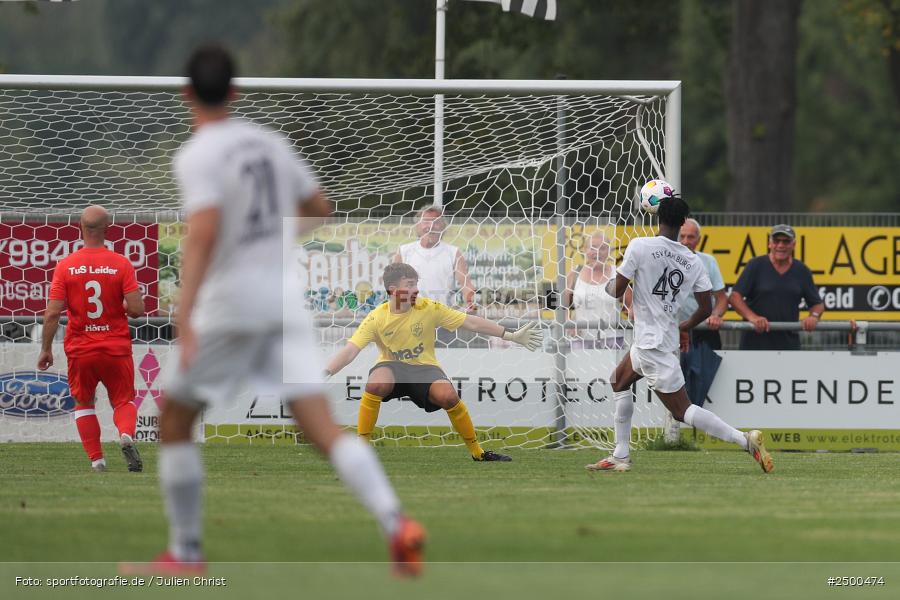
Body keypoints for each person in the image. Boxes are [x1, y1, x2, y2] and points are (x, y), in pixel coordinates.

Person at [132, 45, 423, 576]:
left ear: (187, 95)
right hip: (283, 299)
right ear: (237, 92)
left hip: (230, 302)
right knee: (320, 426)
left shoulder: (197, 154)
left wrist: (185, 306)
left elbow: (202, 230)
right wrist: (270, 237)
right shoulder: (271, 143)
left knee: (174, 420)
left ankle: (186, 552)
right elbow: (320, 208)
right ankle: (396, 522)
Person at [585, 195, 774, 474]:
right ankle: (620, 455)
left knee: (681, 411)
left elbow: (615, 291)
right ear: (682, 222)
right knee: (618, 380)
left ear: (657, 217)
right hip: (658, 339)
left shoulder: (640, 246)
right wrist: (682, 326)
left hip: (652, 346)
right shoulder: (692, 260)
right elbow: (705, 307)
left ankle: (745, 440)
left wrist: (608, 284)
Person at [325, 263, 542, 462]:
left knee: (448, 397)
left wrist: (510, 335)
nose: (416, 290)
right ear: (392, 289)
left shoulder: (429, 308)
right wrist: (325, 372)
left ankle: (478, 453)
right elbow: (350, 351)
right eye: (410, 285)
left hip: (424, 368)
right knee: (375, 384)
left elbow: (472, 323)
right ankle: (361, 454)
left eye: (416, 284)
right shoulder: (377, 317)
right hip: (392, 367)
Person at [37, 205, 145, 473]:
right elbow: (137, 309)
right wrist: (117, 308)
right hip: (115, 348)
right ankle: (126, 435)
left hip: (81, 349)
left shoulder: (66, 266)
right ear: (109, 229)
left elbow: (52, 314)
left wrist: (46, 349)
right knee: (123, 400)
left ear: (80, 228)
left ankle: (97, 461)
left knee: (84, 403)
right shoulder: (121, 263)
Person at [729, 224, 824, 351]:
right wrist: (753, 318)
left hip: (788, 345)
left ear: (794, 245)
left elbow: (817, 304)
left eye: (786, 241)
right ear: (769, 243)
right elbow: (735, 297)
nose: (781, 245)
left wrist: (814, 316)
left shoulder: (802, 270)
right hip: (754, 344)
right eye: (776, 241)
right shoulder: (755, 265)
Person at [395, 206, 476, 312]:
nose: (431, 226)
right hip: (410, 315)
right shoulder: (404, 251)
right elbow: (394, 283)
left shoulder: (453, 252)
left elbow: (466, 284)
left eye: (436, 222)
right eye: (426, 222)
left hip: (442, 316)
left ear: (443, 227)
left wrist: (471, 303)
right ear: (418, 226)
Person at [563, 230, 630, 350]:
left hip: (612, 341)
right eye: (593, 247)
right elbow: (560, 305)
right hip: (581, 341)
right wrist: (568, 322)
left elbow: (632, 306)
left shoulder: (617, 275)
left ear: (609, 251)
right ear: (585, 249)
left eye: (603, 248)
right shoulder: (574, 273)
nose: (598, 252)